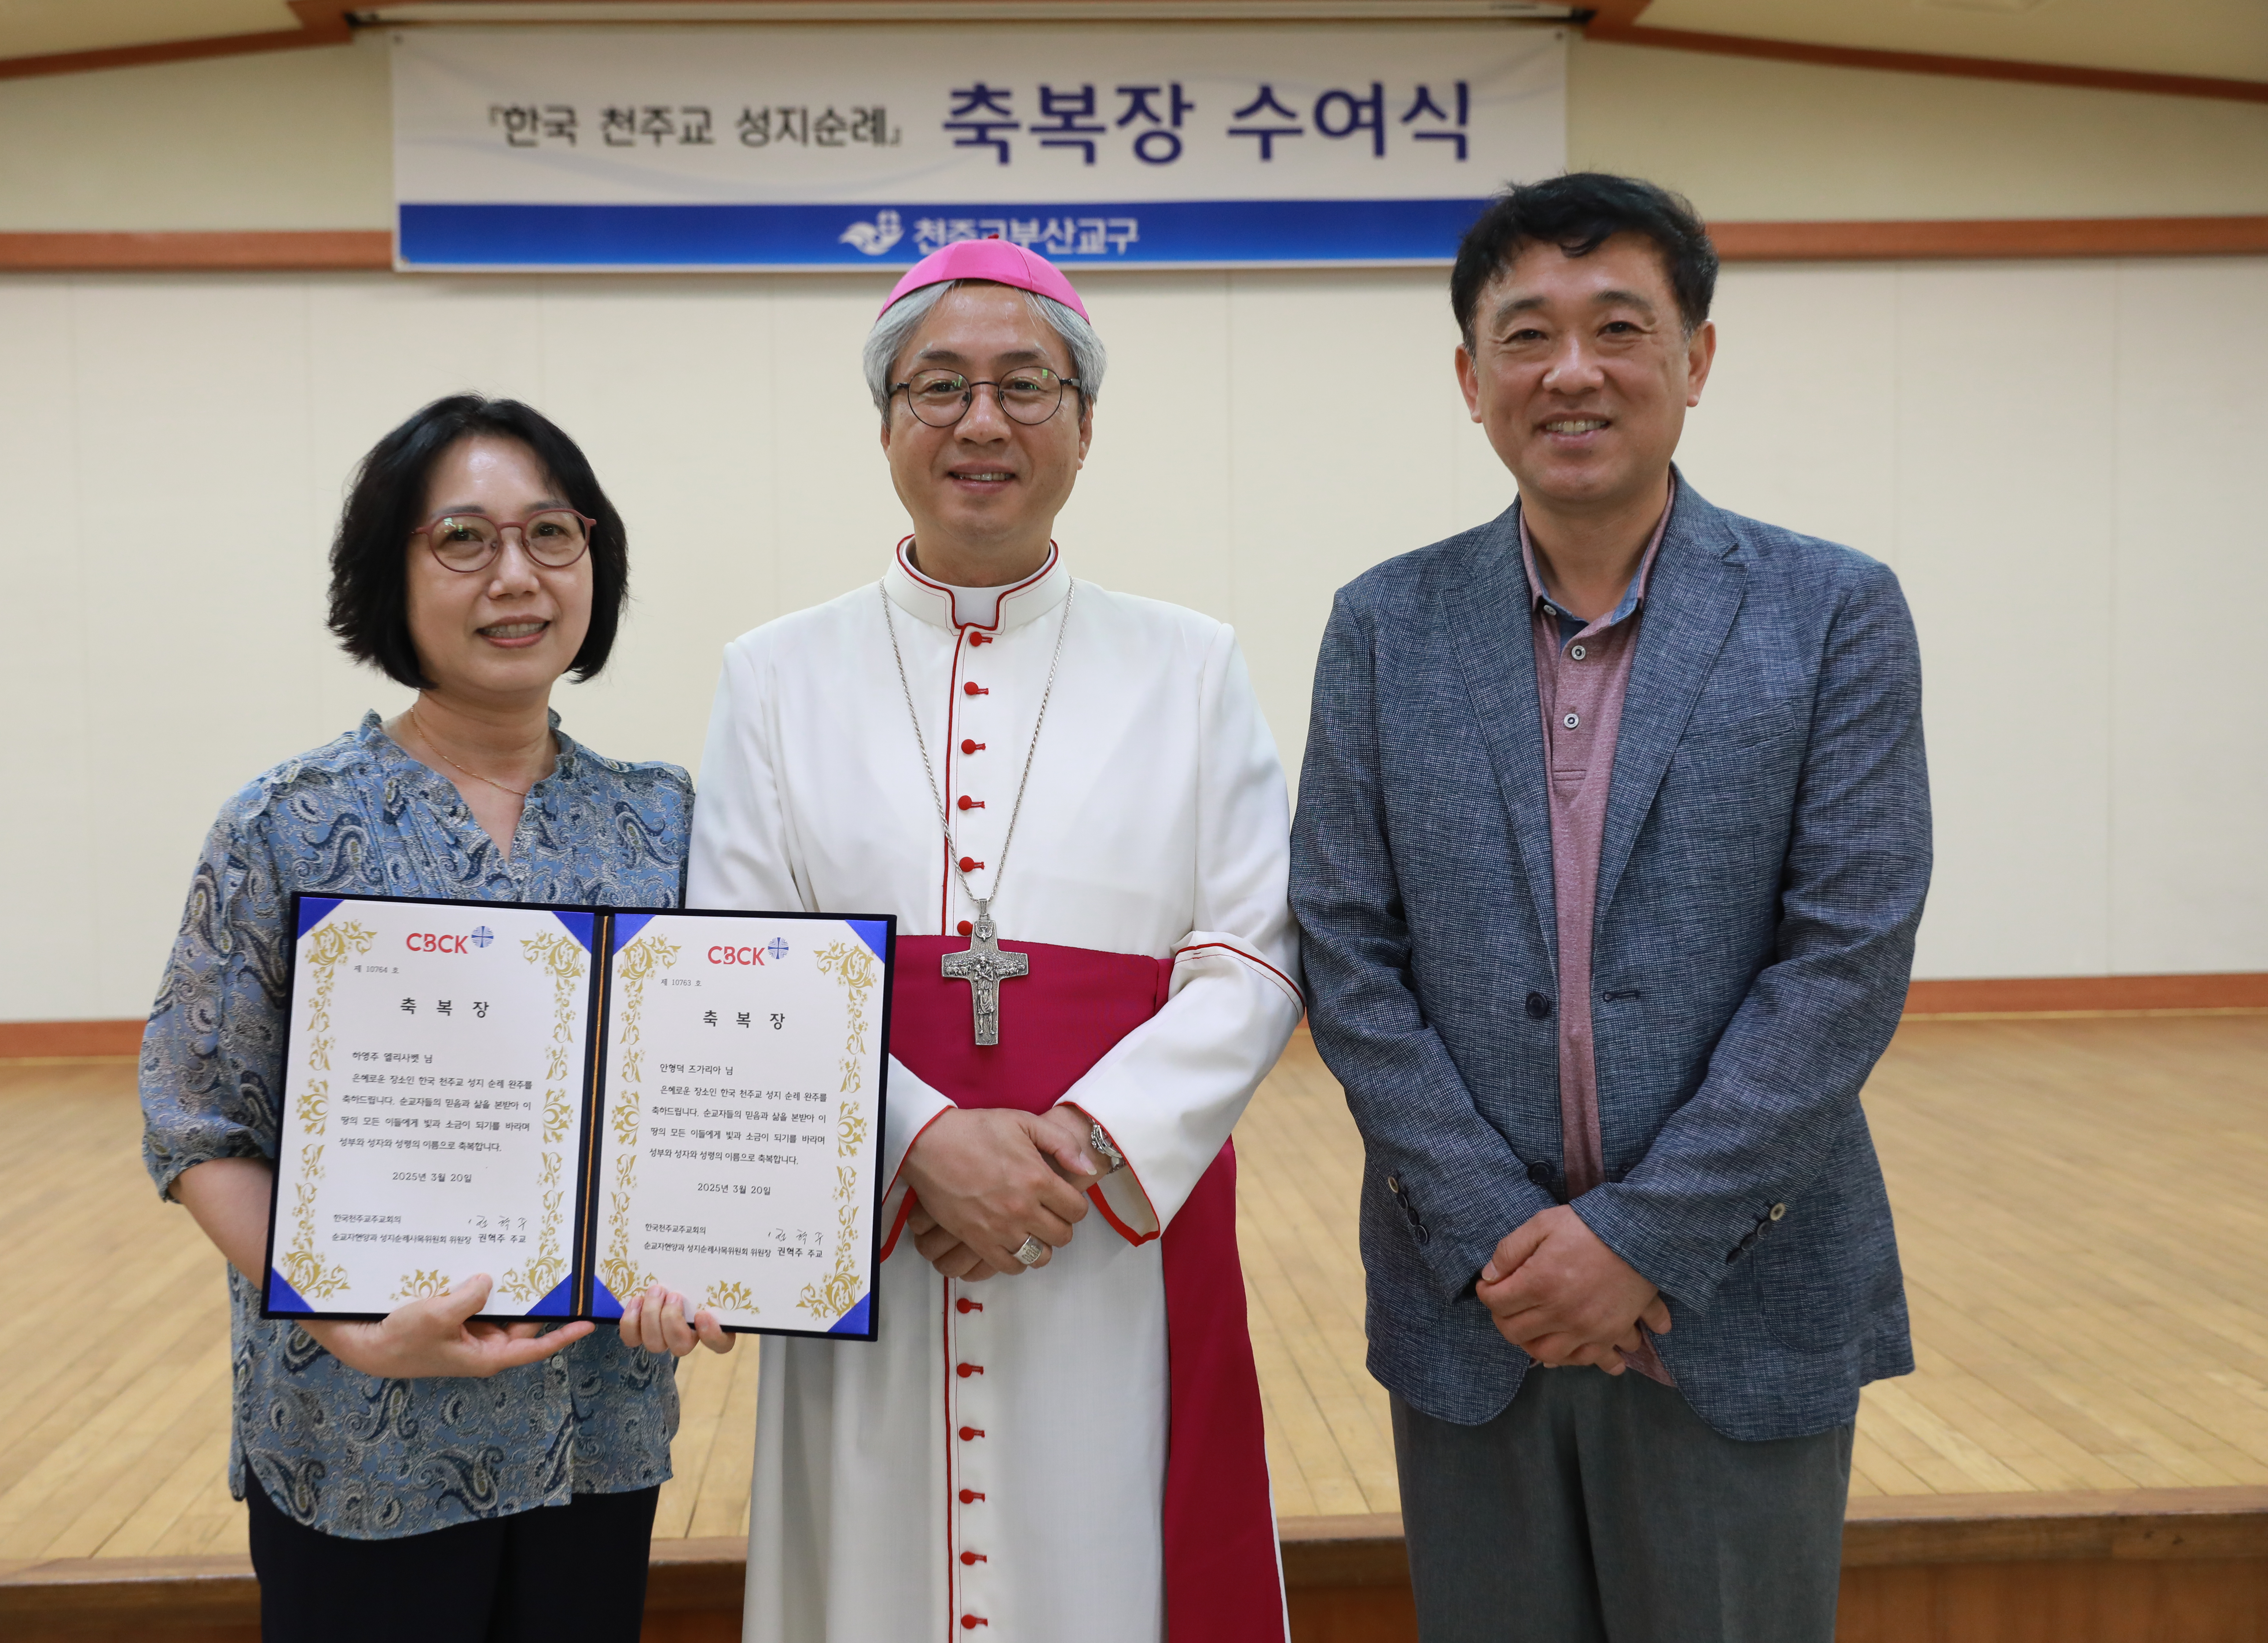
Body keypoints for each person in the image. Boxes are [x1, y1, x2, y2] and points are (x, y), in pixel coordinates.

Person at [1290, 173, 1933, 1642]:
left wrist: (1637, 1241)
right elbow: (1346, 945)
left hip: (1740, 1288)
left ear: (1696, 358)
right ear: (1470, 379)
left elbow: (1845, 958)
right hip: (1479, 1304)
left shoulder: (1833, 613)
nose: (1571, 371)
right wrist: (1506, 1237)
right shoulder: (1383, 624)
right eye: (1526, 336)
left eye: (1619, 328)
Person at [688, 239, 1302, 1643]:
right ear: (887, 423)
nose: (982, 422)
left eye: (1027, 385)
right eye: (940, 387)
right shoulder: (773, 676)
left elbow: (1256, 952)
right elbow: (741, 963)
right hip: (876, 1243)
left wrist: (1079, 1146)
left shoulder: (1190, 665)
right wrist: (920, 1144)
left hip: (1111, 1244)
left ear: (1085, 423)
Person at [139, 394, 730, 1643]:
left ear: (594, 561)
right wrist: (353, 1327)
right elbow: (197, 1131)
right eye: (463, 539)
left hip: (599, 1425)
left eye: (551, 535)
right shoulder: (285, 823)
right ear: (390, 576)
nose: (515, 575)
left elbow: (699, 1118)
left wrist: (714, 1256)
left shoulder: (671, 823)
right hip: (364, 1435)